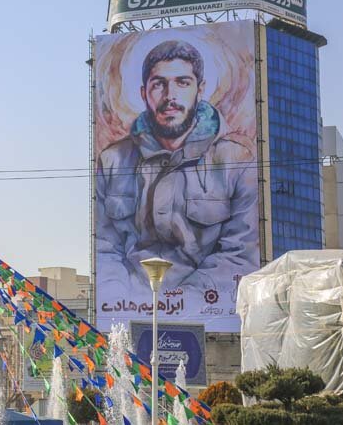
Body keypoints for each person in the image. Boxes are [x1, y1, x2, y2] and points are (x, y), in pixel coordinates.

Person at [96, 40, 259, 301]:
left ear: (200, 89)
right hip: (129, 306)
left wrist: (181, 300)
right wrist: (124, 297)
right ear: (143, 93)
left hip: (208, 309)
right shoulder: (113, 161)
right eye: (159, 84)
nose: (170, 96)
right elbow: (104, 247)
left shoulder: (236, 161)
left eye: (182, 82)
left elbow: (240, 252)